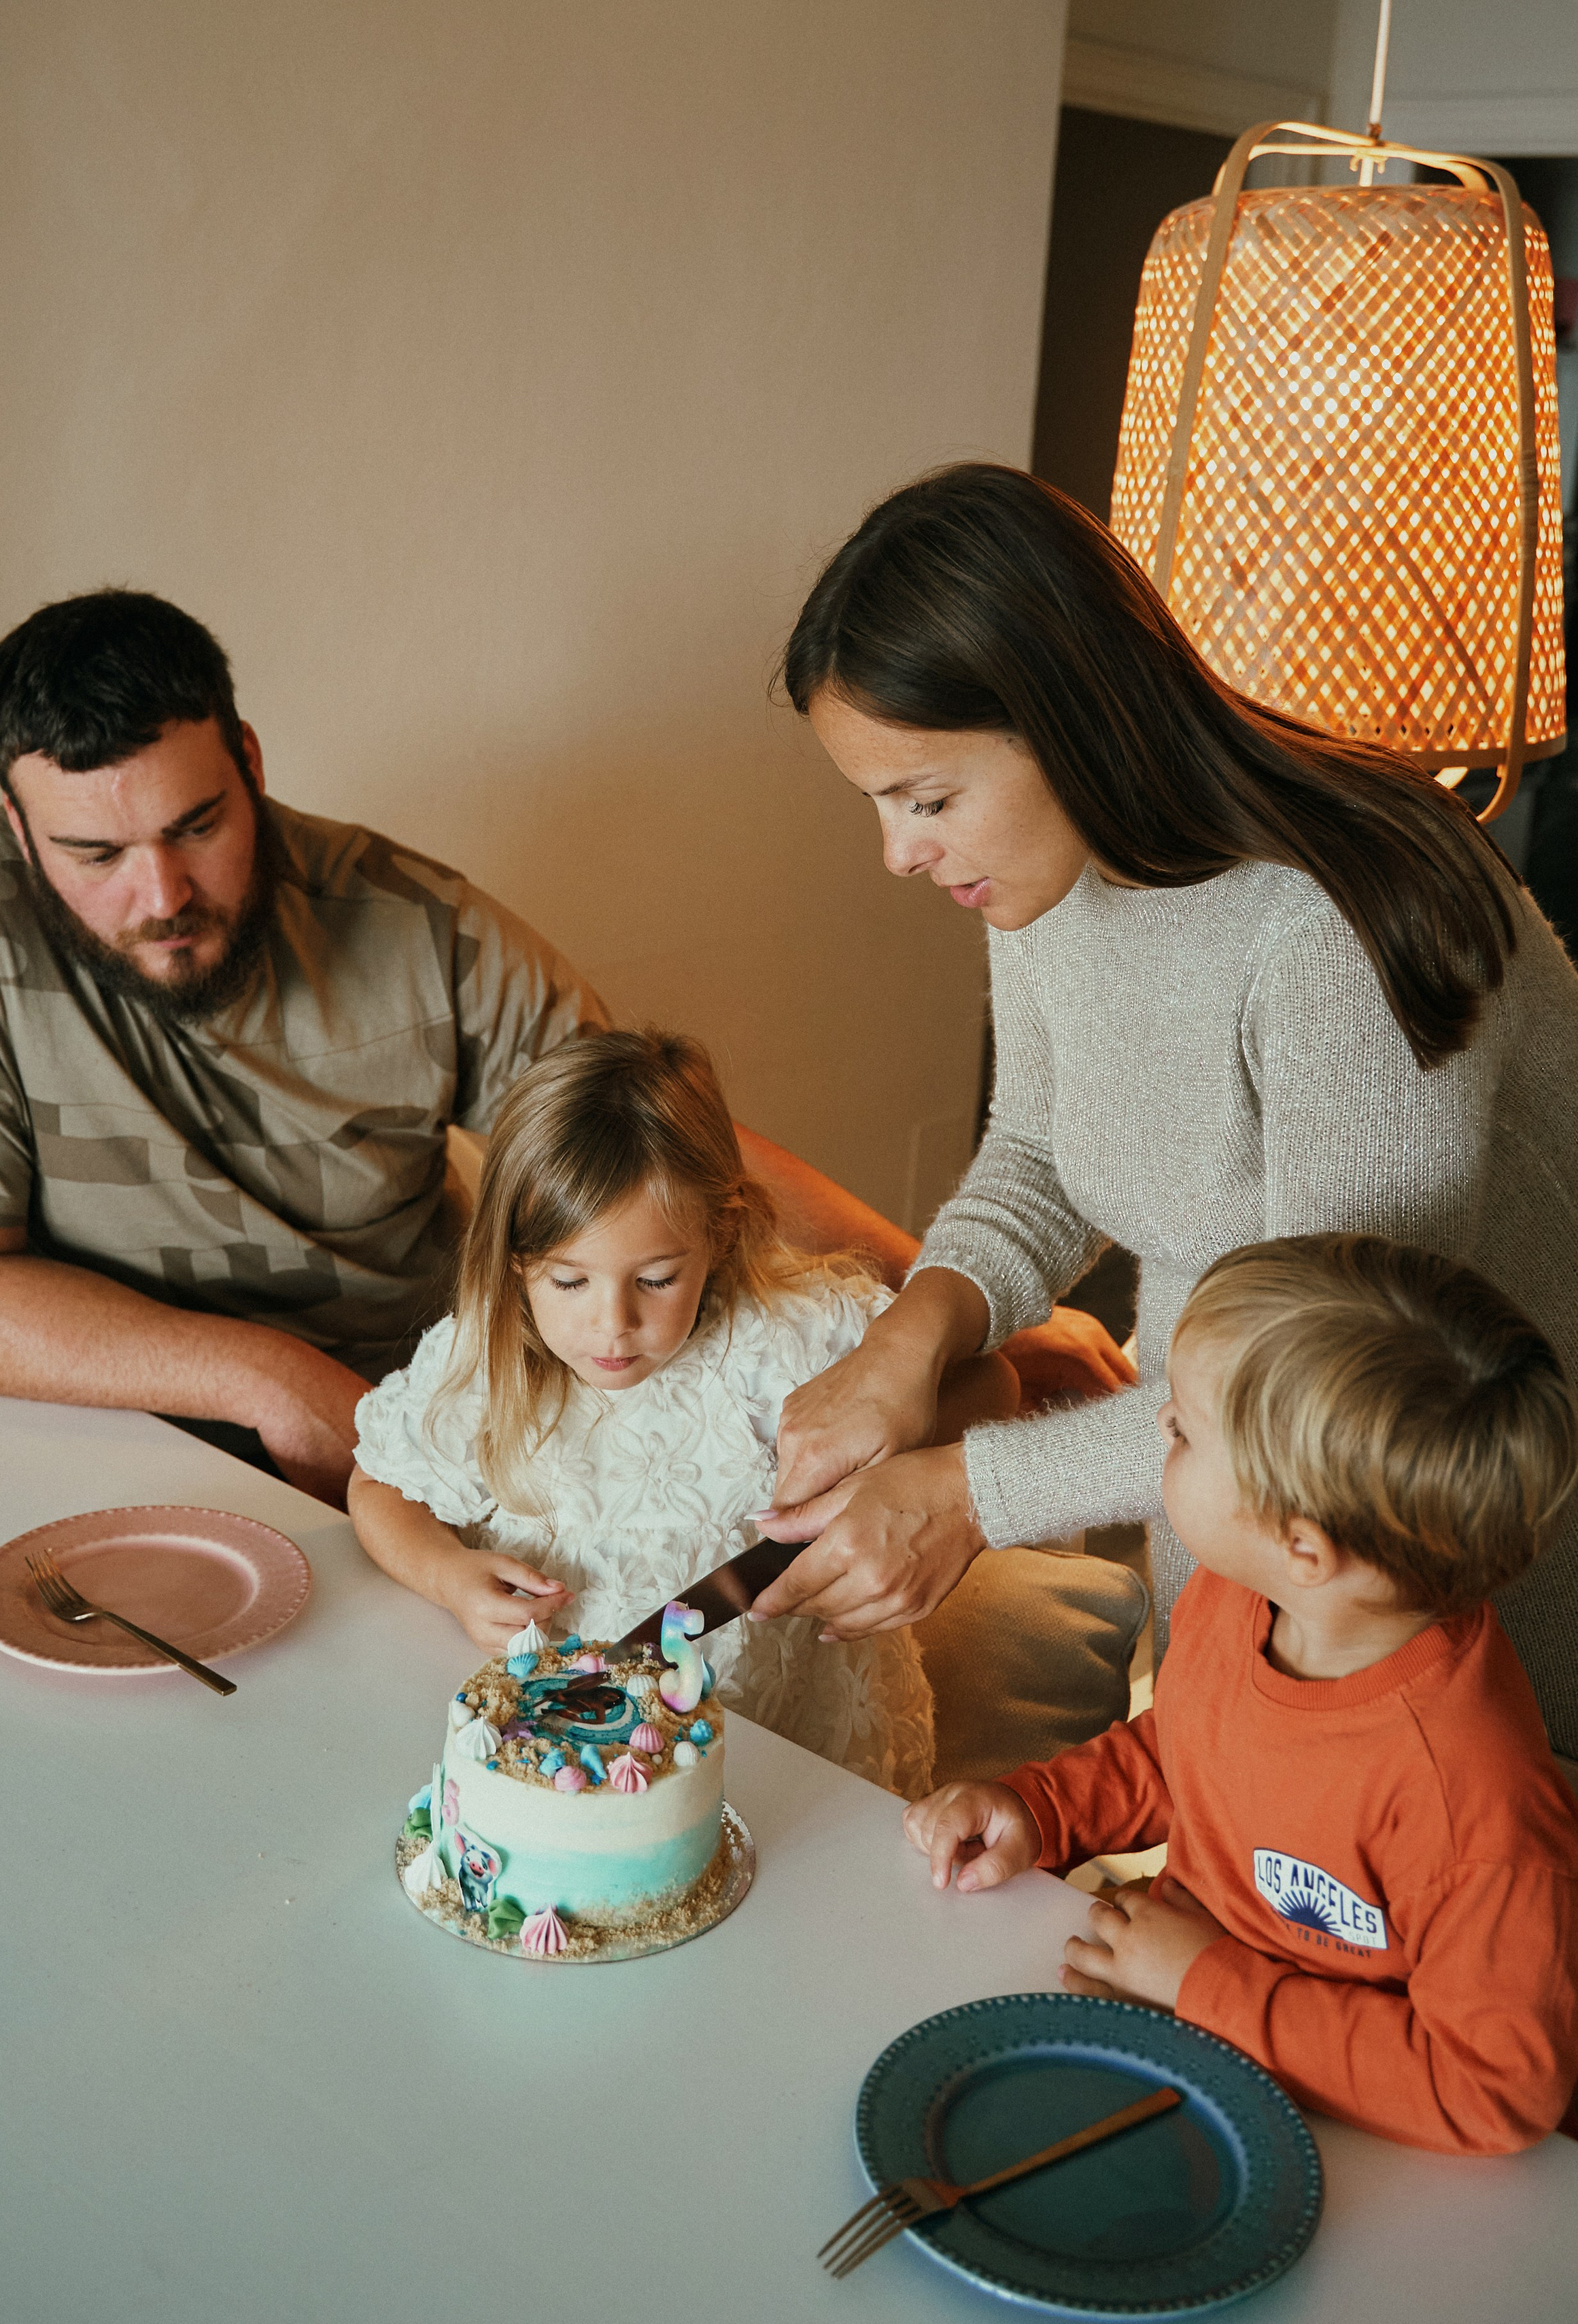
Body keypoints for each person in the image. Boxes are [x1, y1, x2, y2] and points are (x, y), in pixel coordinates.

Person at [750, 463, 1578, 1770]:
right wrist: (914, 1332)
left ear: (1064, 719)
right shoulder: (1047, 872)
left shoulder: (1342, 921)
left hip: (1446, 1593)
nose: (899, 855)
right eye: (879, 804)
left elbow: (1319, 1389)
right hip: (1223, 1523)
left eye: (926, 798)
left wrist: (974, 1492)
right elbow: (1042, 1150)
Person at [0, 590, 911, 1504]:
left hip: (404, 1423)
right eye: (94, 852)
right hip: (95, 1432)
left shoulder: (414, 923)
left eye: (197, 826)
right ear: (20, 831)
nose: (160, 894)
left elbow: (657, 1151)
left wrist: (946, 1298)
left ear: (249, 763)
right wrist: (267, 1375)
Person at [904, 1235, 1578, 2155]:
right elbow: (1187, 1751)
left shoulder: (1473, 1805)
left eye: (1181, 1427)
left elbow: (1497, 2086)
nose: (1158, 1433)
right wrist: (1042, 1808)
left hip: (1364, 2137)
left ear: (1302, 1544)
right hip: (1190, 2016)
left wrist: (1206, 1983)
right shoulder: (1244, 1594)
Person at [349, 1029, 1018, 1793]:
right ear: (514, 1262)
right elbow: (377, 1488)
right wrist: (449, 1576)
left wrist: (914, 1469)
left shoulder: (791, 1338)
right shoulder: (485, 1359)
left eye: (658, 1279)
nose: (613, 1324)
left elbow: (991, 1383)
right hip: (574, 1768)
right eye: (569, 1282)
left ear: (718, 1235)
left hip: (794, 1760)